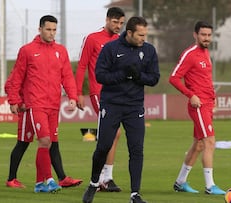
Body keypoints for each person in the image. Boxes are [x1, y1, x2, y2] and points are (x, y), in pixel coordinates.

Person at [82, 16, 160, 203]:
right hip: (111, 104)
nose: (143, 38)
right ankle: (94, 183)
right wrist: (123, 74)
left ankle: (135, 194)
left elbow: (154, 78)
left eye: (145, 35)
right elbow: (100, 75)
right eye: (140, 35)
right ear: (130, 33)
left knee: (136, 150)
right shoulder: (111, 48)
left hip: (134, 107)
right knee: (103, 147)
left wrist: (138, 76)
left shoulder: (149, 51)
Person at [6, 15, 80, 193]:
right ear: (39, 29)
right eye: (48, 29)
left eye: (54, 30)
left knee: (51, 142)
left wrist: (72, 96)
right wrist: (14, 100)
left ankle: (42, 184)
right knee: (43, 141)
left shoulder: (61, 51)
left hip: (54, 105)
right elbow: (15, 78)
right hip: (35, 104)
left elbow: (67, 76)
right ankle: (49, 180)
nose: (52, 33)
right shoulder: (27, 50)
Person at [169, 21, 226, 195]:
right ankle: (210, 186)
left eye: (209, 35)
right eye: (203, 35)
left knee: (199, 145)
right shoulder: (190, 54)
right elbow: (173, 78)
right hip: (198, 105)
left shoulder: (206, 53)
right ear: (195, 35)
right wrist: (191, 95)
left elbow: (205, 80)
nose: (206, 38)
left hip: (207, 104)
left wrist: (213, 98)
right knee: (210, 142)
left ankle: (180, 182)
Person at [5, 70, 82, 189]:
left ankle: (62, 178)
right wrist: (19, 102)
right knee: (23, 143)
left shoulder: (44, 62)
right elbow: (10, 84)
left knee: (52, 142)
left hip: (44, 106)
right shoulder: (27, 60)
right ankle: (11, 179)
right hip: (28, 110)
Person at [75, 7, 125, 192]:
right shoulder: (92, 38)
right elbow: (82, 66)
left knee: (112, 134)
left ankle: (104, 178)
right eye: (115, 22)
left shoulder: (121, 41)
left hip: (116, 93)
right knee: (113, 133)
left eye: (121, 23)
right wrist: (77, 93)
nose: (118, 26)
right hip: (98, 93)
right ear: (107, 20)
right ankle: (103, 178)